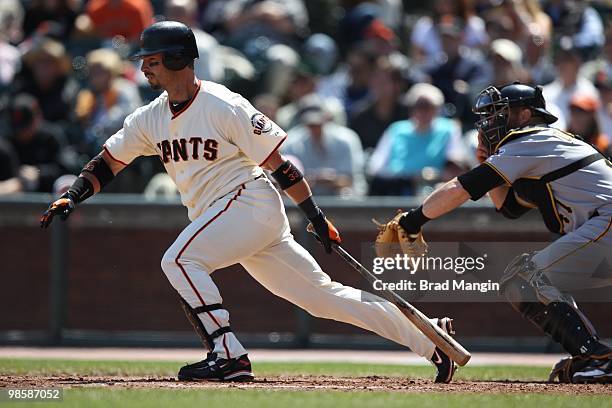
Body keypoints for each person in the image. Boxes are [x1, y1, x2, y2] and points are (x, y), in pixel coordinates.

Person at [39, 21, 457, 383]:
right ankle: (430, 339)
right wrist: (73, 195)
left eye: (152, 59)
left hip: (247, 201)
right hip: (229, 216)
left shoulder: (223, 103)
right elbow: (109, 161)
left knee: (179, 260)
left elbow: (280, 165)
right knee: (322, 297)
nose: (144, 66)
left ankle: (227, 355)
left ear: (178, 58)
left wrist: (314, 214)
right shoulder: (151, 116)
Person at [394, 82, 612, 383]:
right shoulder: (537, 148)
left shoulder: (531, 138)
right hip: (601, 226)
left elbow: (463, 188)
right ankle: (592, 357)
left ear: (524, 114)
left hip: (607, 222)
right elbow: (509, 207)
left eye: (499, 113)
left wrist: (413, 220)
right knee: (521, 280)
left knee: (525, 277)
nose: (489, 123)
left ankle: (597, 358)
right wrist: (486, 160)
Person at [367, 83, 467, 196]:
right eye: (419, 106)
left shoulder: (449, 129)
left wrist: (434, 175)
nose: (424, 111)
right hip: (397, 190)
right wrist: (407, 176)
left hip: (435, 191)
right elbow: (376, 166)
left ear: (438, 108)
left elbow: (456, 163)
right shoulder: (396, 129)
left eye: (429, 106)